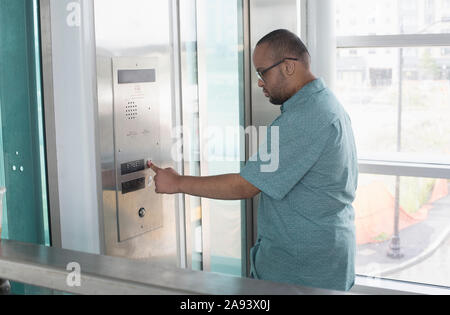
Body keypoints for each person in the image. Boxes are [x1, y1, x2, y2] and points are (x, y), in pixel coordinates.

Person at [148, 29, 358, 292]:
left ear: (289, 67)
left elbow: (245, 186)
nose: (260, 82)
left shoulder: (305, 118)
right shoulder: (324, 103)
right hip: (316, 262)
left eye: (262, 72)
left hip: (302, 272)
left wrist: (177, 182)